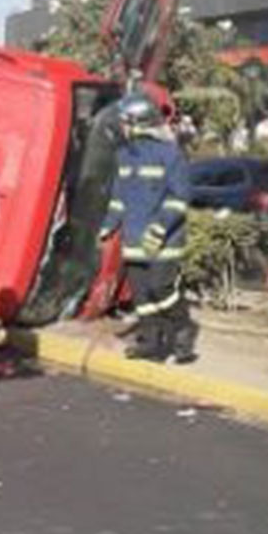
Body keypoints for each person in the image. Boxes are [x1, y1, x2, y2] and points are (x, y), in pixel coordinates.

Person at [102, 92, 197, 364]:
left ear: (139, 123)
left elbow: (179, 199)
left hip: (163, 243)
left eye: (125, 122)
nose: (122, 127)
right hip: (134, 240)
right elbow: (119, 198)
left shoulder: (171, 155)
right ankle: (151, 342)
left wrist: (159, 229)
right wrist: (107, 226)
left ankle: (182, 332)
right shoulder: (124, 156)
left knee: (161, 289)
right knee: (142, 295)